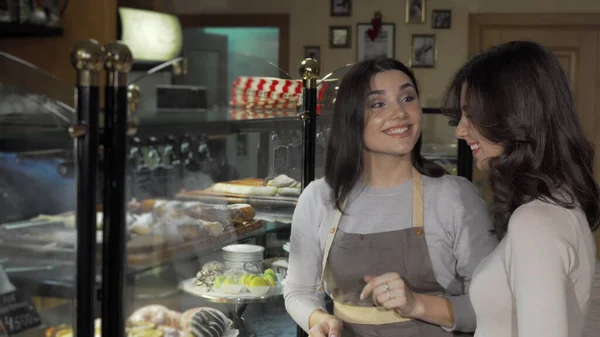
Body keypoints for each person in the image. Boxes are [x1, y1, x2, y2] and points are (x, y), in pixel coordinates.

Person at [284, 57, 498, 337]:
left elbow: (495, 309)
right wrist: (318, 319)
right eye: (378, 103)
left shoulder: (455, 197)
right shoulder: (318, 198)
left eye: (407, 98)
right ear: (351, 117)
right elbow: (297, 290)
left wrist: (417, 304)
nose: (400, 112)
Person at [441, 40, 600, 337]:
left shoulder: (536, 221)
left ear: (514, 114)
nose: (460, 130)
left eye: (470, 114)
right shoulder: (558, 203)